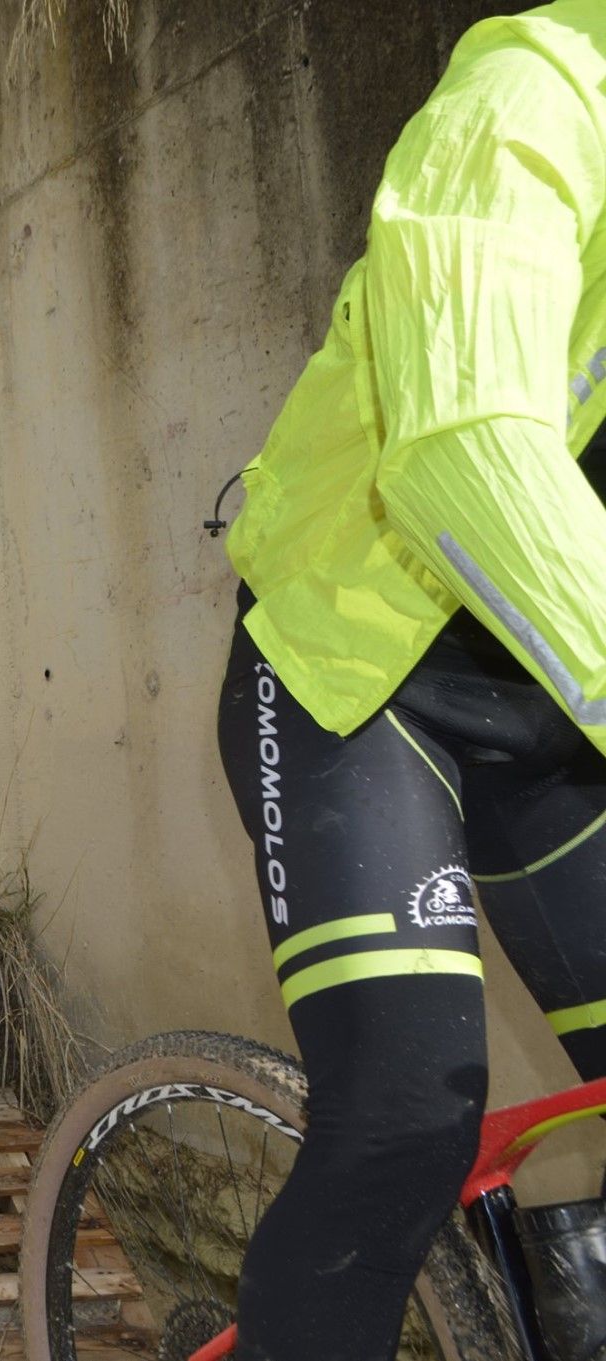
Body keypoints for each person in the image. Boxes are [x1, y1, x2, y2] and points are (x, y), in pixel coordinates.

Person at [216, 6, 606, 1357]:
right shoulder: (534, 96)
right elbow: (464, 448)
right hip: (360, 684)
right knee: (404, 1120)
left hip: (556, 709)